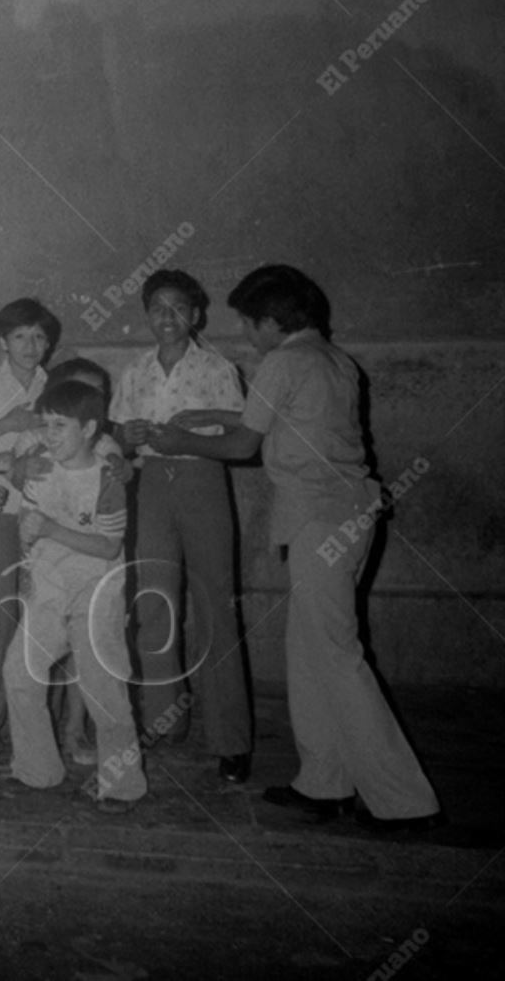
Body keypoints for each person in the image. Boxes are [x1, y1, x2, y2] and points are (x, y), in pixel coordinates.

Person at [150, 264, 442, 831]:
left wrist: (178, 440)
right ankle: (323, 783)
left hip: (321, 520)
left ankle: (405, 803)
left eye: (248, 324)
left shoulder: (283, 361)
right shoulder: (334, 360)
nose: (245, 335)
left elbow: (242, 445)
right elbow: (275, 419)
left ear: (270, 322)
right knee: (307, 651)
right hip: (351, 516)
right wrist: (208, 413)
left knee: (336, 656)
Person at [113, 269, 253, 784]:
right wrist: (125, 437)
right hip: (151, 487)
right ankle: (163, 720)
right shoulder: (135, 371)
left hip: (202, 483)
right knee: (154, 604)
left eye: (177, 308)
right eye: (157, 309)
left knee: (215, 603)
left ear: (195, 315)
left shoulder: (218, 367)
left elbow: (245, 426)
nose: (166, 318)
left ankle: (231, 740)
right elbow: (120, 441)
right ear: (146, 316)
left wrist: (191, 431)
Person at [3, 378, 146, 811]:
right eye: (45, 425)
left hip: (96, 591)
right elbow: (27, 526)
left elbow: (108, 546)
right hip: (48, 587)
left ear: (88, 429)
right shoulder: (40, 466)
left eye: (60, 426)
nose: (49, 436)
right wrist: (29, 569)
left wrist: (50, 529)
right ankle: (38, 769)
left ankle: (122, 785)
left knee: (104, 687)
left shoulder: (106, 476)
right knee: (19, 673)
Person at [0, 297, 60, 734]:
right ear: (2, 341)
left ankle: (23, 717)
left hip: (45, 516)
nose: (30, 345)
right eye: (20, 336)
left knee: (37, 614)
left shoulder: (54, 386)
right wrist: (8, 424)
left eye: (39, 336)